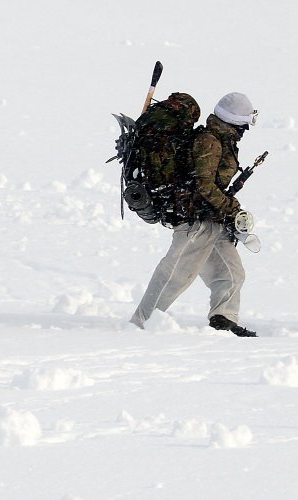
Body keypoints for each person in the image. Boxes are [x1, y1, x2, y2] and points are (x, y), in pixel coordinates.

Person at [129, 92, 258, 337]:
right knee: (175, 275)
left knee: (230, 273)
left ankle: (223, 319)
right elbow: (204, 186)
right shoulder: (209, 141)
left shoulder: (223, 138)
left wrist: (227, 211)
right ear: (236, 120)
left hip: (213, 218)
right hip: (196, 219)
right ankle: (140, 323)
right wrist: (232, 207)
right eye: (247, 120)